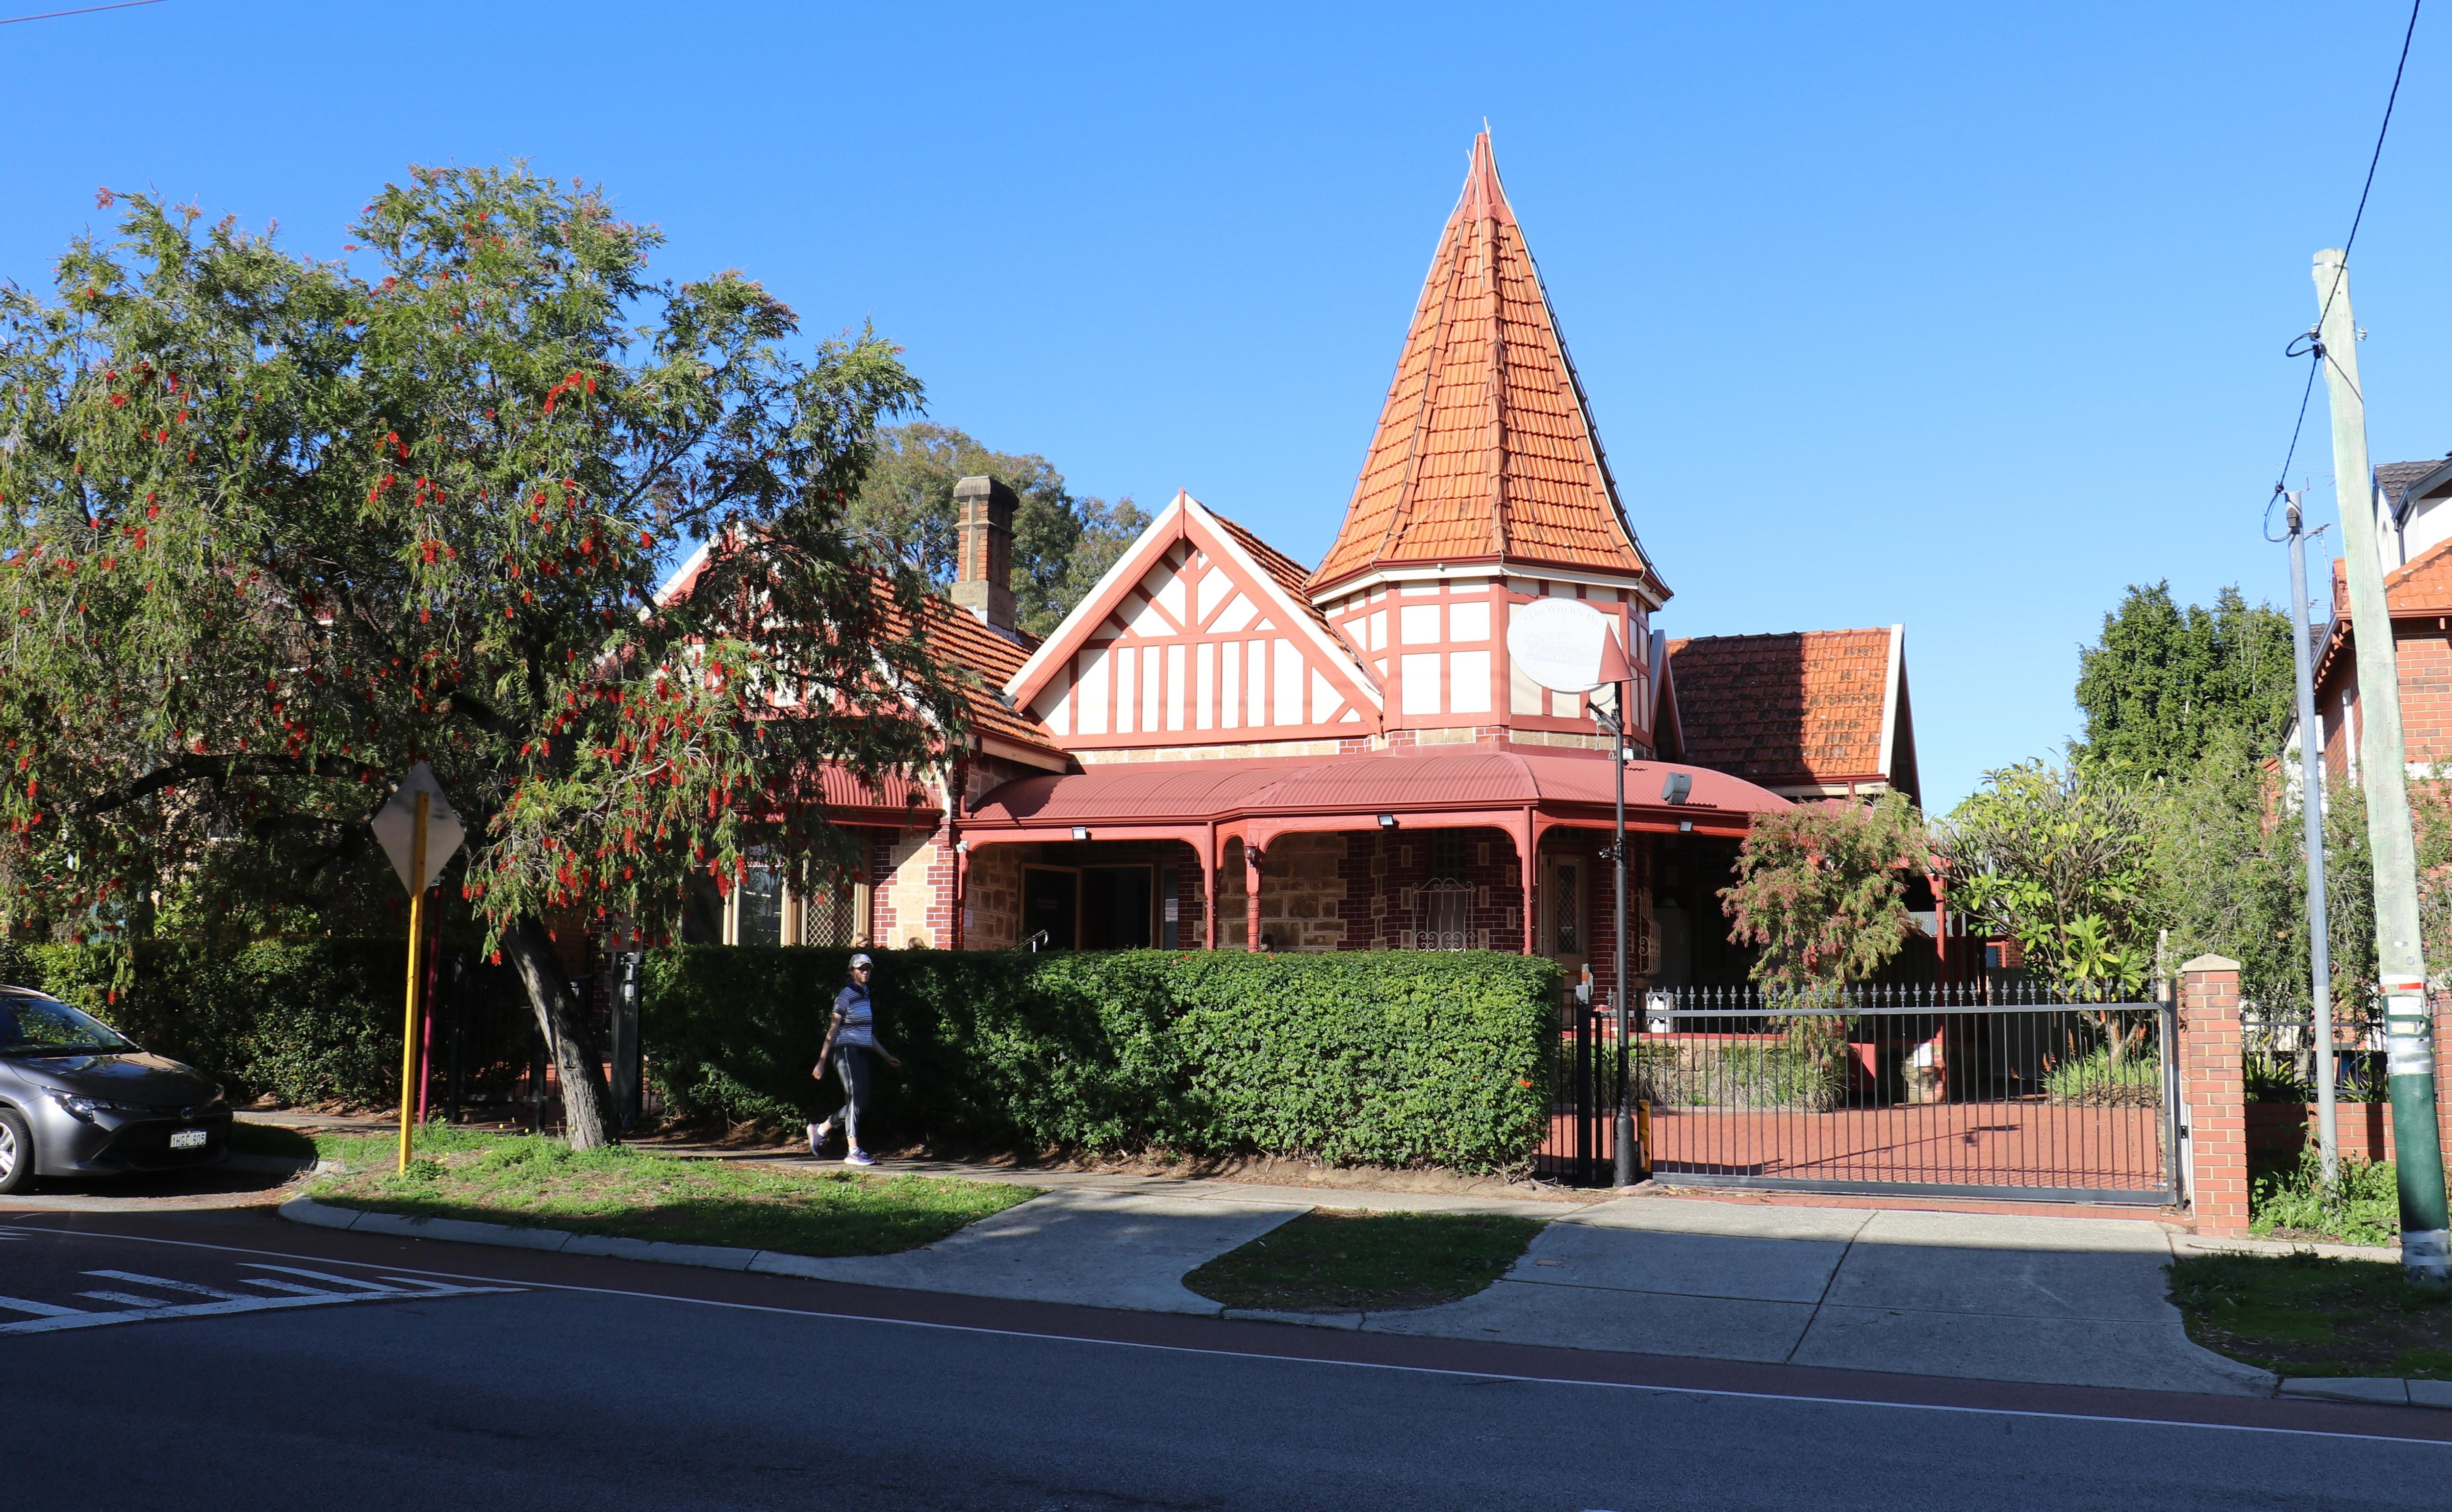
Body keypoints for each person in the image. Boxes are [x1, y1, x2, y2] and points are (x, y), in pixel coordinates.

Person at [808, 952, 900, 1166]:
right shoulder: (845, 996)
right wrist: (821, 1061)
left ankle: (821, 1129)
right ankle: (853, 1151)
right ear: (852, 971)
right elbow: (832, 1030)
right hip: (845, 1050)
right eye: (861, 969)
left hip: (860, 1050)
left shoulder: (865, 996)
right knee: (855, 1099)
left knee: (861, 1102)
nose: (865, 972)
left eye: (868, 969)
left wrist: (887, 1056)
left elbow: (867, 1033)